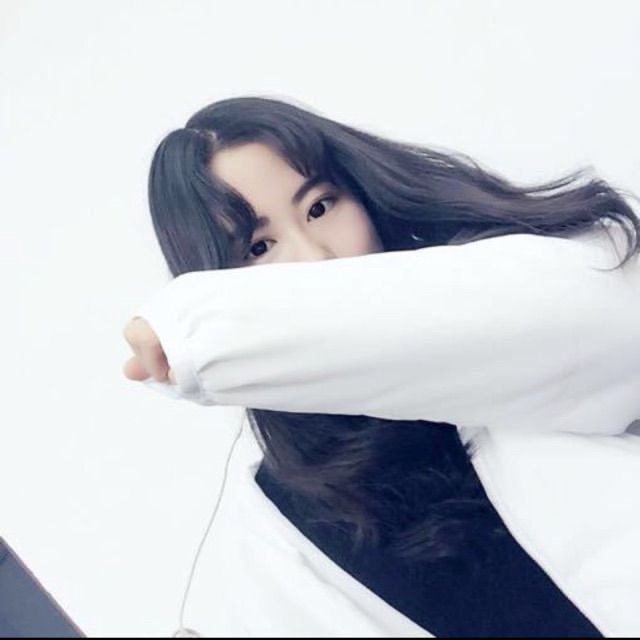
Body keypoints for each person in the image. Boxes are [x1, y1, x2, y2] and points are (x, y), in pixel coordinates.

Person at [122, 95, 640, 637]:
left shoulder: (536, 293)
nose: (315, 258)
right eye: (258, 247)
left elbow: (604, 315)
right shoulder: (290, 519)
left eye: (320, 208)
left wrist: (200, 330)